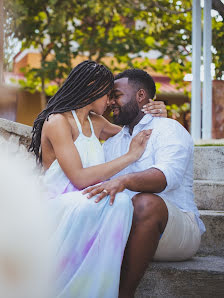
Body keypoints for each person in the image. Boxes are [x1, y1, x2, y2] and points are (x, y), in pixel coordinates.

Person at [29, 60, 167, 297]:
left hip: (89, 202)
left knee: (119, 201)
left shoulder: (97, 123)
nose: (111, 101)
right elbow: (80, 178)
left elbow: (139, 130)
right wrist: (130, 156)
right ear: (92, 88)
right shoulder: (57, 122)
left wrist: (157, 113)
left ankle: (101, 290)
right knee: (117, 200)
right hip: (59, 207)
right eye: (108, 94)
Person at [84, 69, 206, 298]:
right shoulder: (113, 143)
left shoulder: (169, 129)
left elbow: (164, 177)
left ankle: (123, 294)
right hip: (126, 225)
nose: (110, 102)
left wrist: (124, 180)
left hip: (176, 229)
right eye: (109, 97)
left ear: (140, 95)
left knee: (145, 203)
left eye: (116, 95)